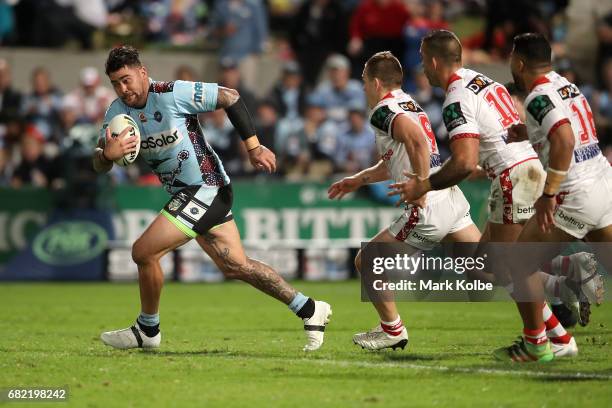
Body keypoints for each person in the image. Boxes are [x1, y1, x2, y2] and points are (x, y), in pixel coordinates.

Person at [93, 46, 332, 352]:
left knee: (143, 252)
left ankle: (147, 329)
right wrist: (105, 156)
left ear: (142, 72)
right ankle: (310, 309)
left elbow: (230, 96)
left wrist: (254, 147)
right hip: (187, 195)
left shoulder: (171, 93)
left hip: (207, 187)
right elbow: (100, 158)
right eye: (115, 83)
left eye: (126, 79)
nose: (123, 89)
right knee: (236, 266)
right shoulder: (116, 113)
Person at [399, 30, 597, 359]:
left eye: (423, 60)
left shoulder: (455, 98)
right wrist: (485, 164)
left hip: (515, 176)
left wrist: (424, 184)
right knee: (480, 264)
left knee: (515, 265)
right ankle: (560, 332)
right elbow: (491, 139)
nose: (423, 67)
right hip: (521, 168)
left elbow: (463, 161)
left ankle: (541, 338)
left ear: (434, 62)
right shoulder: (480, 80)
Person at [328, 51, 481, 350]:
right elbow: (396, 160)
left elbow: (416, 141)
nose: (362, 89)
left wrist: (421, 186)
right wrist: (358, 180)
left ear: (375, 82)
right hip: (450, 197)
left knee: (369, 261)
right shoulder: (411, 104)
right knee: (488, 267)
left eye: (363, 82)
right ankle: (563, 278)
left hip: (430, 203)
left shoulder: (382, 111)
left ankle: (392, 330)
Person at [488, 33, 611, 362]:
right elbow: (571, 127)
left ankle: (538, 344)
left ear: (520, 62)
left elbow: (565, 140)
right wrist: (528, 132)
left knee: (516, 262)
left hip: (576, 191)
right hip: (603, 182)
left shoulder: (537, 96)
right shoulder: (564, 84)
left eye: (511, 58)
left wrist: (549, 193)